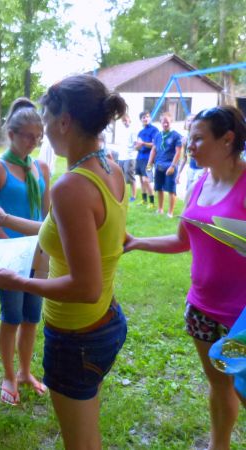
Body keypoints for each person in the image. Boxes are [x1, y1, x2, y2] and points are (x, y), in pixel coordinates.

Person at [0, 74, 129, 450]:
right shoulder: (110, 167)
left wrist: (21, 283)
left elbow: (84, 286)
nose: (43, 131)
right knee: (86, 433)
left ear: (64, 121)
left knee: (78, 443)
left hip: (76, 337)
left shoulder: (71, 185)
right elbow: (57, 228)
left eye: (46, 120)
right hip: (104, 320)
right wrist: (6, 217)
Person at [125, 106, 246, 450]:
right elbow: (182, 240)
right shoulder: (200, 181)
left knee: (244, 387)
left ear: (227, 140)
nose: (189, 146)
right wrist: (136, 242)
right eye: (189, 137)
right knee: (219, 385)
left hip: (242, 318)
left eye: (197, 138)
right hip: (203, 310)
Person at [0, 97, 50, 406]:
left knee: (32, 316)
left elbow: (47, 217)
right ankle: (9, 375)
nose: (33, 142)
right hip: (8, 255)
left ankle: (25, 371)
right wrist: (8, 245)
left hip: (37, 253)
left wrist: (44, 246)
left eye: (38, 137)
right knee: (12, 316)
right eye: (28, 136)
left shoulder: (42, 167)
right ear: (11, 133)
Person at [147, 112, 182, 217]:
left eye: (167, 122)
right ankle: (160, 209)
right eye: (163, 122)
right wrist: (149, 164)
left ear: (171, 122)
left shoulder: (176, 135)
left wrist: (172, 166)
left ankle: (170, 213)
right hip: (158, 166)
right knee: (158, 188)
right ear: (160, 122)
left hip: (170, 167)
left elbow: (178, 152)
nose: (165, 124)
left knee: (171, 190)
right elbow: (154, 149)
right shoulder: (158, 135)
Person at [111, 114, 137, 202]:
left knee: (130, 176)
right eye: (123, 121)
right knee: (121, 176)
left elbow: (135, 144)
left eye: (126, 120)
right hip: (121, 156)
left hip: (129, 157)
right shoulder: (122, 131)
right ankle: (122, 194)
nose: (125, 122)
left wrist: (131, 152)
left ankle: (133, 196)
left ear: (129, 120)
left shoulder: (133, 130)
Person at [177, 114, 205, 194]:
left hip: (200, 169)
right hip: (191, 169)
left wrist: (204, 172)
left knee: (196, 192)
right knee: (189, 192)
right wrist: (179, 173)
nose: (190, 122)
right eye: (188, 120)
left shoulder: (201, 136)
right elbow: (185, 157)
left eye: (193, 120)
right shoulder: (185, 139)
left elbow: (206, 154)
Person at [135, 111, 157, 208]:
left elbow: (154, 144)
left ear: (150, 118)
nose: (145, 118)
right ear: (141, 120)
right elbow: (137, 147)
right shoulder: (140, 132)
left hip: (148, 158)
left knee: (146, 180)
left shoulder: (154, 130)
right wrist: (137, 146)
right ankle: (144, 200)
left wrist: (143, 143)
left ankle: (151, 202)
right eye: (143, 117)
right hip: (139, 158)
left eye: (147, 117)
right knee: (141, 179)